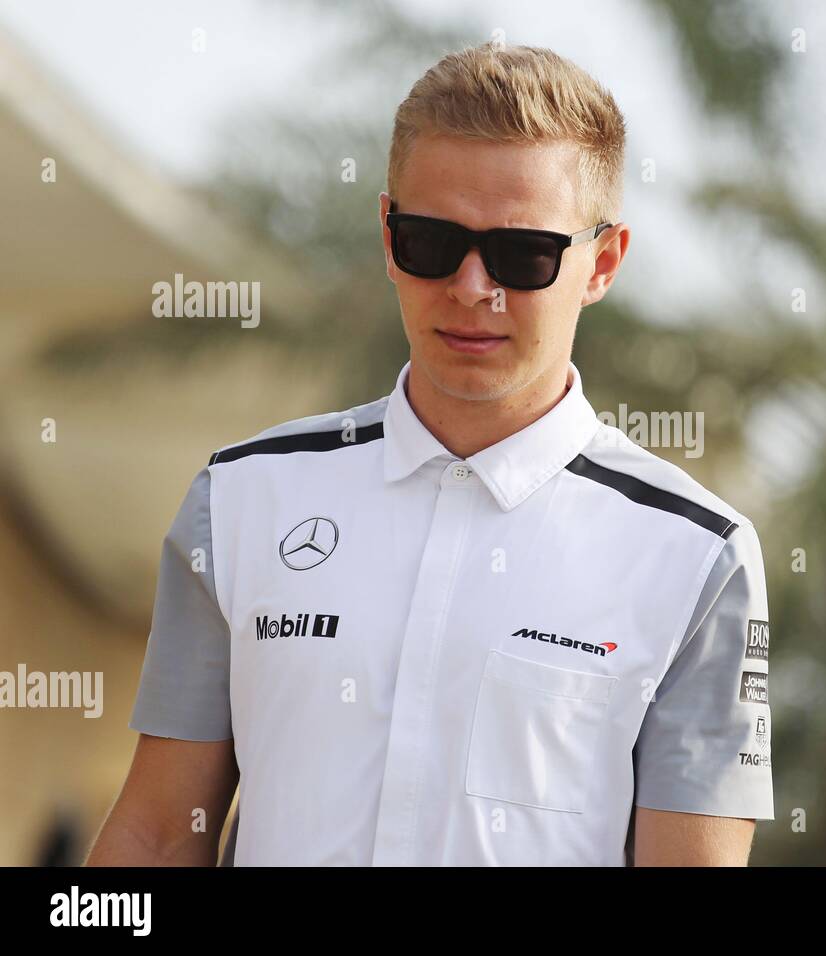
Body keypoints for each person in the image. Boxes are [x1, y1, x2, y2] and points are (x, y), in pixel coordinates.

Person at [87, 42, 773, 867]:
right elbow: (157, 837)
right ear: (387, 236)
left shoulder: (697, 557)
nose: (473, 286)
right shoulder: (240, 500)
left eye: (524, 255)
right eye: (431, 241)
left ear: (604, 263)